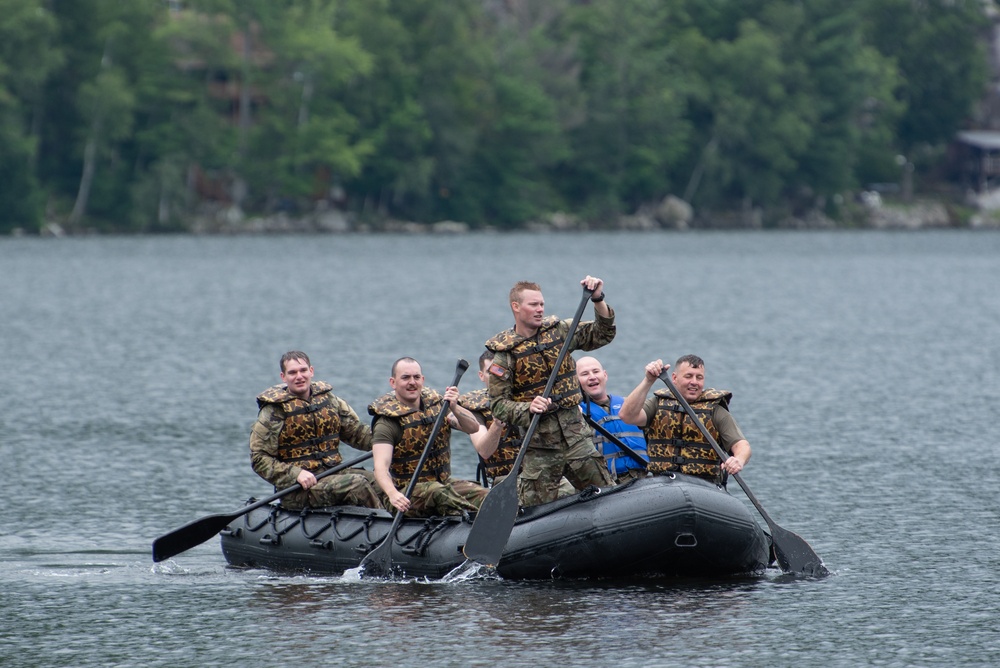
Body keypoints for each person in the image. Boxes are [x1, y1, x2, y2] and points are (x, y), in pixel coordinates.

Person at [485, 277, 616, 506]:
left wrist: (597, 299)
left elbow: (602, 333)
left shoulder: (559, 331)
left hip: (577, 440)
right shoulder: (505, 354)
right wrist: (528, 407)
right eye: (533, 305)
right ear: (516, 307)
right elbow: (497, 404)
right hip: (539, 449)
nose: (540, 310)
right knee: (535, 512)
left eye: (542, 304)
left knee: (609, 498)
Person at [250, 351, 383, 510]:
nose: (299, 376)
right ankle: (389, 527)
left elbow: (357, 433)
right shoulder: (274, 412)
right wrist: (295, 474)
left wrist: (389, 443)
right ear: (283, 377)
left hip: (334, 473)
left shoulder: (329, 400)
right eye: (292, 373)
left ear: (311, 371)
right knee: (357, 484)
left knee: (381, 480)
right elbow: (259, 458)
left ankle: (406, 521)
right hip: (299, 490)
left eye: (303, 370)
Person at [368, 357, 489, 517]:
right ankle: (469, 515)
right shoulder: (387, 422)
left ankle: (496, 513)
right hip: (407, 493)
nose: (412, 382)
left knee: (483, 494)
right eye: (405, 378)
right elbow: (380, 468)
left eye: (416, 377)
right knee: (437, 492)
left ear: (422, 380)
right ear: (393, 382)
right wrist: (392, 494)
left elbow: (472, 427)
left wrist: (455, 407)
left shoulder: (438, 406)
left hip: (443, 485)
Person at [459, 350, 576, 496]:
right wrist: (496, 426)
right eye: (492, 372)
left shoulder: (535, 397)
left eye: (502, 372)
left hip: (544, 473)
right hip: (506, 480)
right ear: (481, 376)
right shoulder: (475, 406)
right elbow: (484, 451)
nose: (498, 378)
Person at [618, 355, 751, 483]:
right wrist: (648, 380)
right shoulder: (657, 404)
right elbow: (627, 416)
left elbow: (742, 445)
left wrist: (738, 460)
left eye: (699, 377)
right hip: (663, 482)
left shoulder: (715, 410)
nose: (694, 382)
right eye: (688, 376)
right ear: (674, 378)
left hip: (704, 484)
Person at [576, 355, 648, 483]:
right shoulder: (576, 413)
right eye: (585, 374)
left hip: (644, 475)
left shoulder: (629, 405)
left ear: (605, 375)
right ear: (576, 382)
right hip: (609, 482)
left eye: (596, 371)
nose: (592, 376)